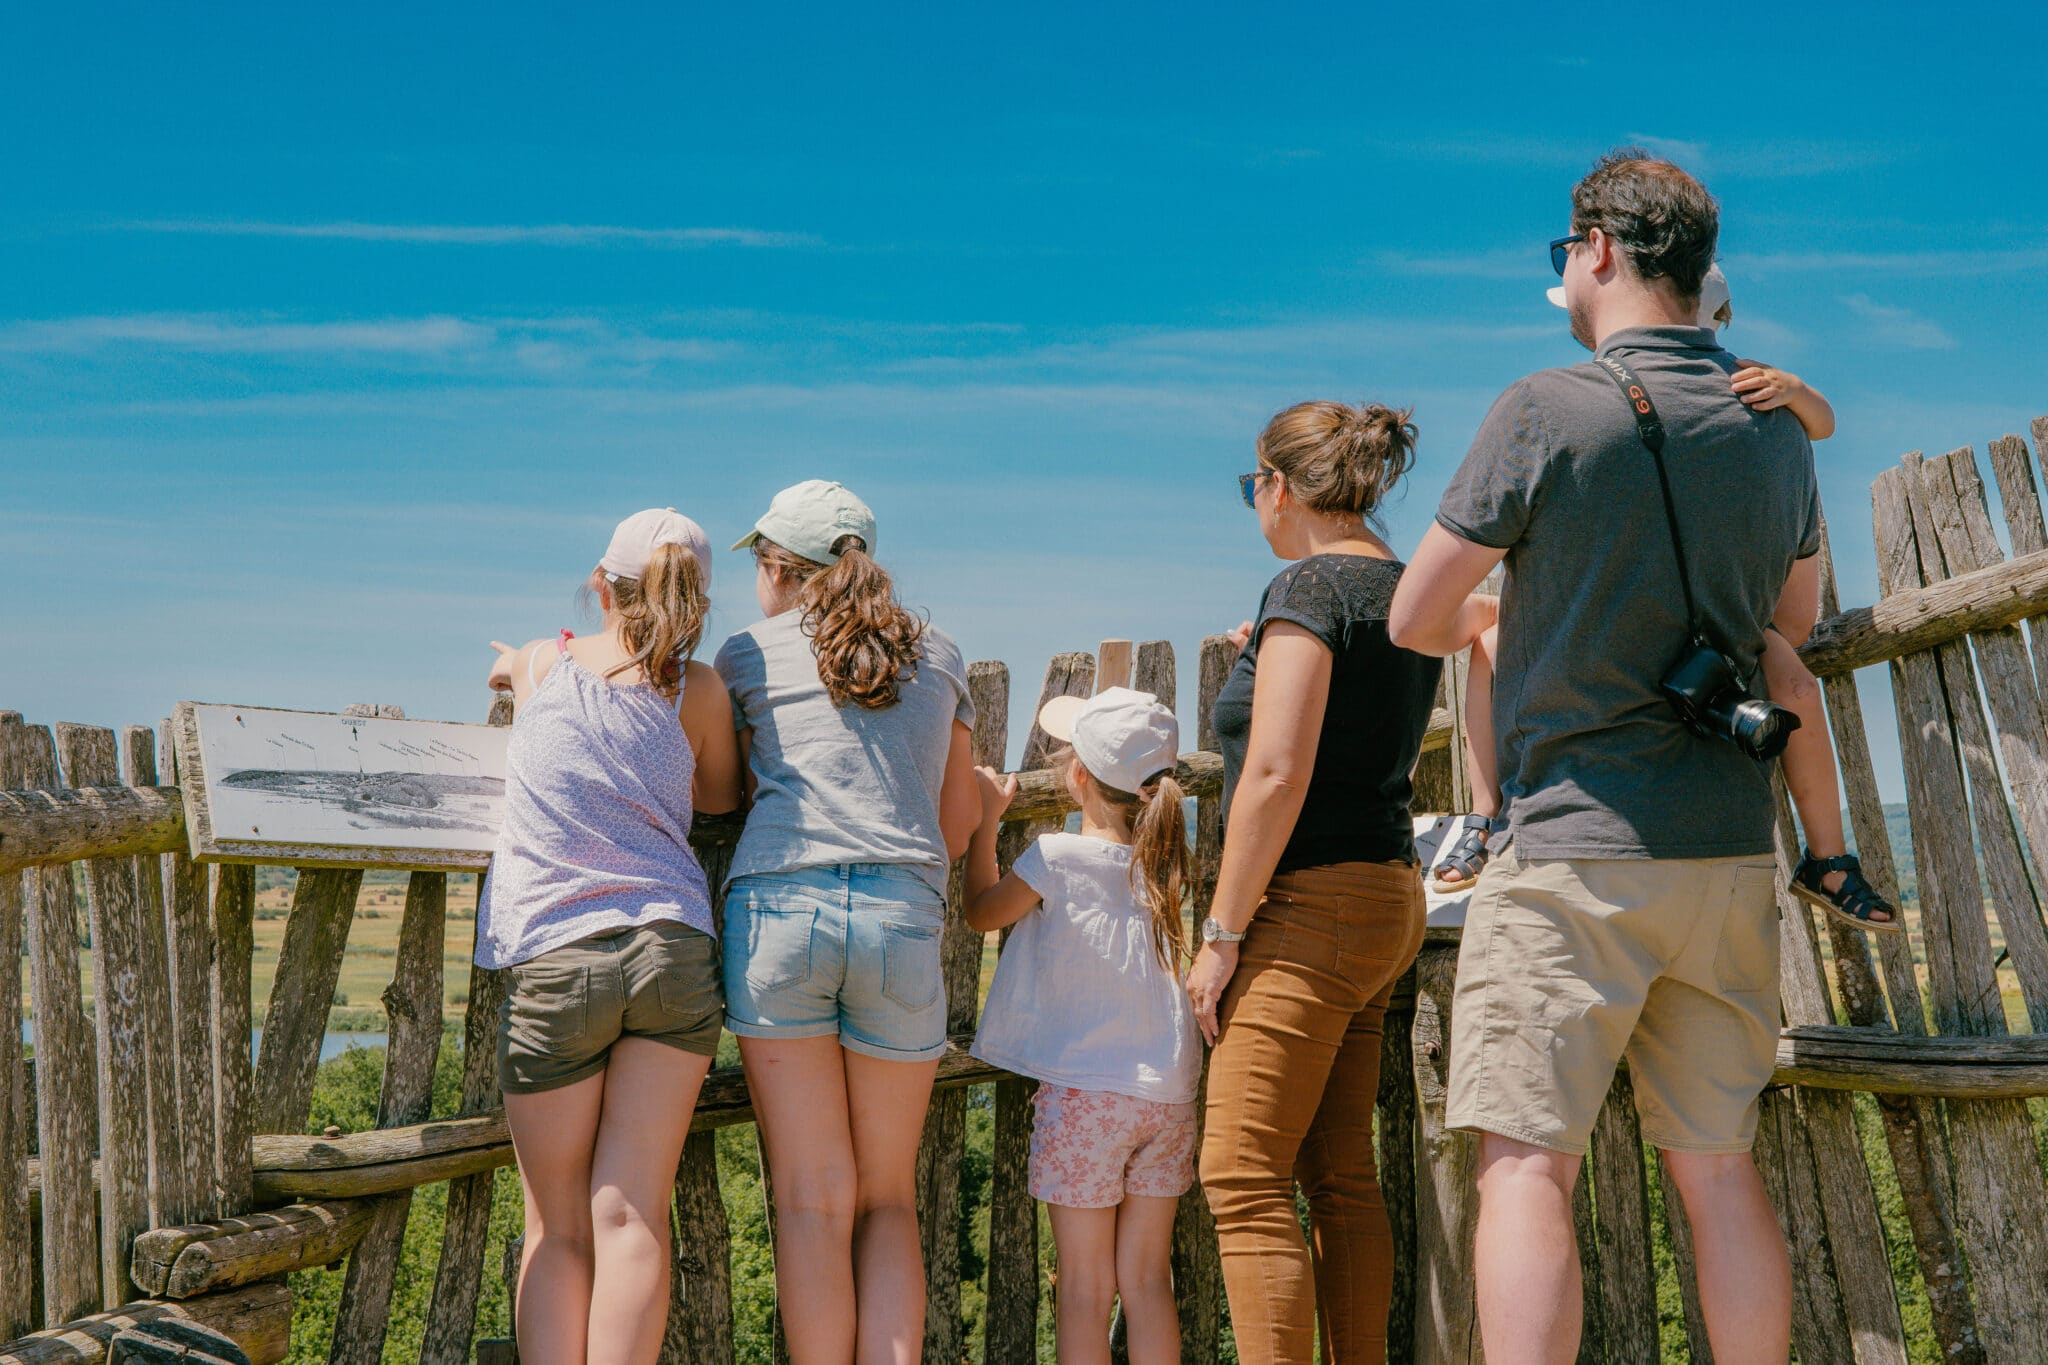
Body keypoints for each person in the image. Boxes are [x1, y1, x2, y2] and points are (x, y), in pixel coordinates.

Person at [1388, 148, 1804, 1365]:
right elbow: (1791, 614)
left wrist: (1503, 613)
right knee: (1718, 1172)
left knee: (1524, 1168)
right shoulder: (1773, 423)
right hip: (1724, 848)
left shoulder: (1542, 408)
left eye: (1562, 251)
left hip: (1571, 845)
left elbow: (1418, 616)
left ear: (1602, 251)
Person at [1431, 269, 1898, 935]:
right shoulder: (1759, 416)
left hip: (1590, 773)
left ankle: (1486, 814)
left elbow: (1819, 419)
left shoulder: (1563, 407)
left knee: (1495, 637)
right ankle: (1828, 858)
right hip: (1727, 660)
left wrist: (1796, 391)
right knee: (1791, 675)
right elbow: (1795, 612)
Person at [1187, 400, 1442, 1363]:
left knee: (1243, 1177)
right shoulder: (1409, 585)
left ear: (1279, 486)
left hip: (1310, 906)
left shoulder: (1308, 589)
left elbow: (1275, 772)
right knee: (1340, 1172)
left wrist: (1221, 931)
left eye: (1251, 484)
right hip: (1385, 895)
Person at [713, 479, 980, 1365]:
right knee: (886, 1199)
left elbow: (730, 787)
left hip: (780, 911)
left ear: (778, 568)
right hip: (902, 919)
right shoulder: (939, 656)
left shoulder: (745, 654)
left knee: (810, 1200)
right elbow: (955, 819)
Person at [478, 508, 741, 1365]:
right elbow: (719, 798)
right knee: (631, 1213)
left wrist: (509, 671)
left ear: (601, 582)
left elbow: (518, 669)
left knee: (556, 1225)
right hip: (672, 948)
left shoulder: (548, 660)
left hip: (559, 953)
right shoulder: (696, 690)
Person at [963, 688, 1201, 1365]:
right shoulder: (1168, 864)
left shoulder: (1056, 858)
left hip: (1084, 1099)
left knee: (1084, 1291)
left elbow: (981, 912)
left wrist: (986, 823)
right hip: (1168, 1095)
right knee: (1148, 1281)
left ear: (1076, 777)